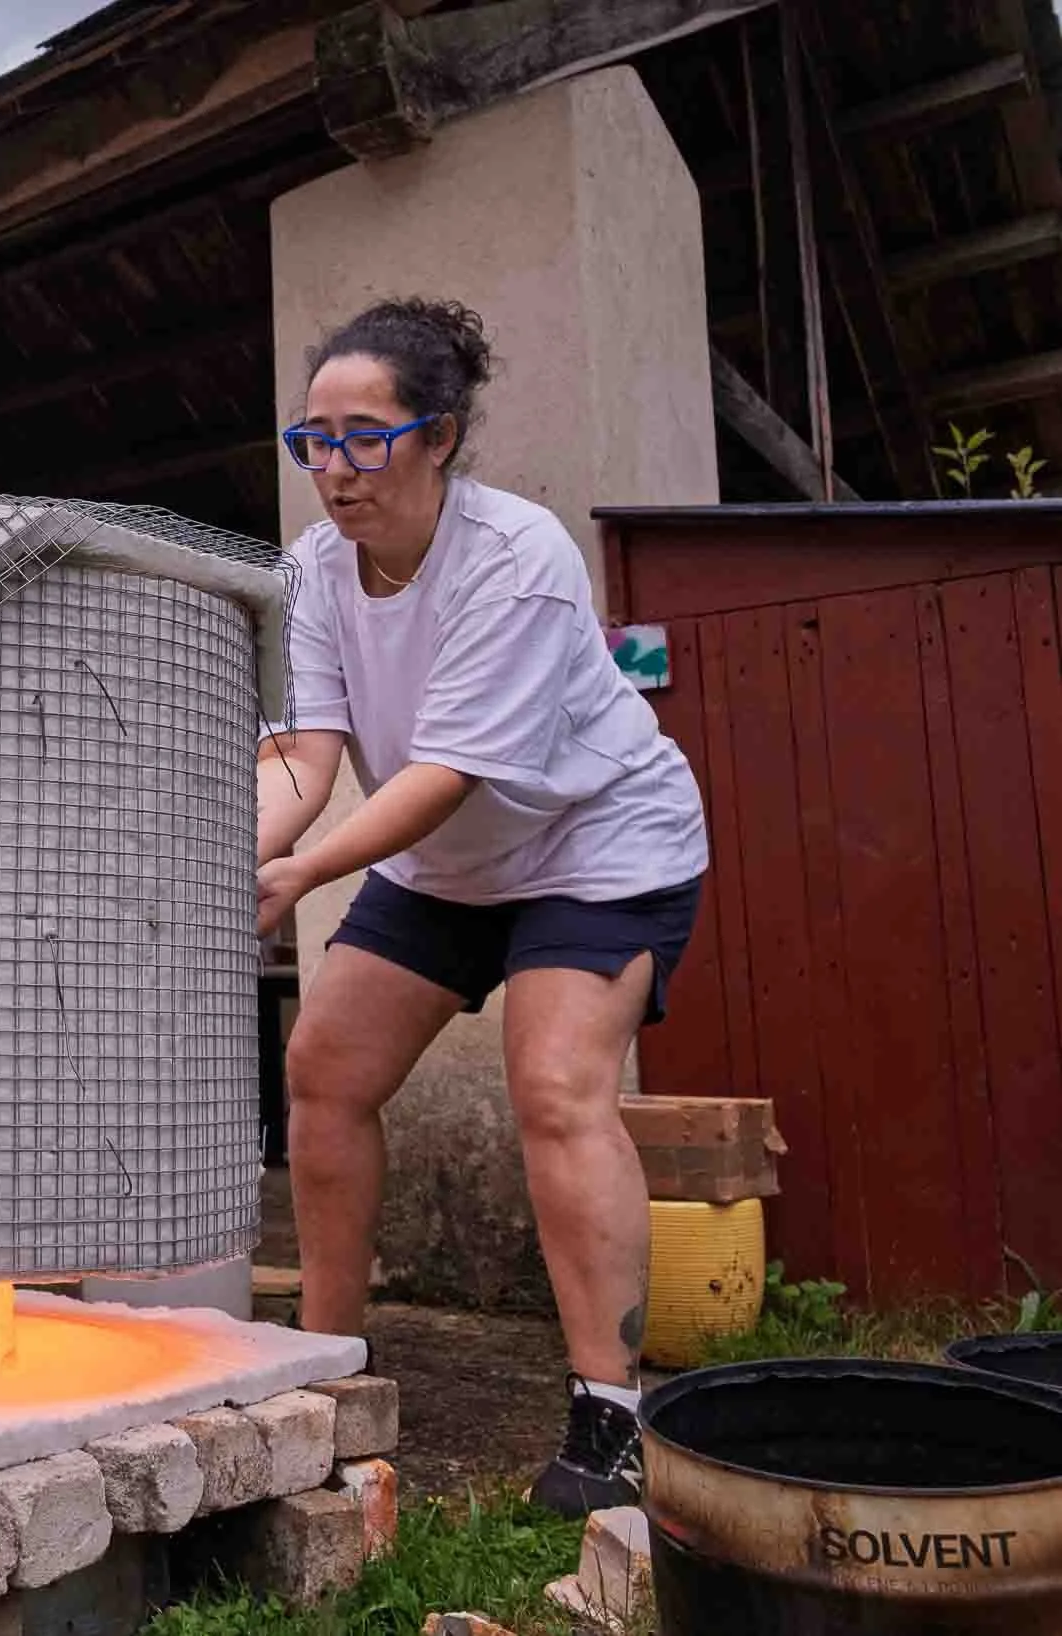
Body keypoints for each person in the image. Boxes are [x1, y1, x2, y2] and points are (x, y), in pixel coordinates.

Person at [253, 298, 707, 1518]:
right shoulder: (305, 571)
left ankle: (613, 1415)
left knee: (556, 1084)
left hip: (596, 840)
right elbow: (305, 752)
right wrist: (234, 860)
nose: (334, 470)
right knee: (324, 1067)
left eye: (365, 437)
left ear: (437, 436)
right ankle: (327, 1369)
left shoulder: (516, 554)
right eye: (314, 440)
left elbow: (446, 767)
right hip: (447, 861)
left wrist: (303, 877)